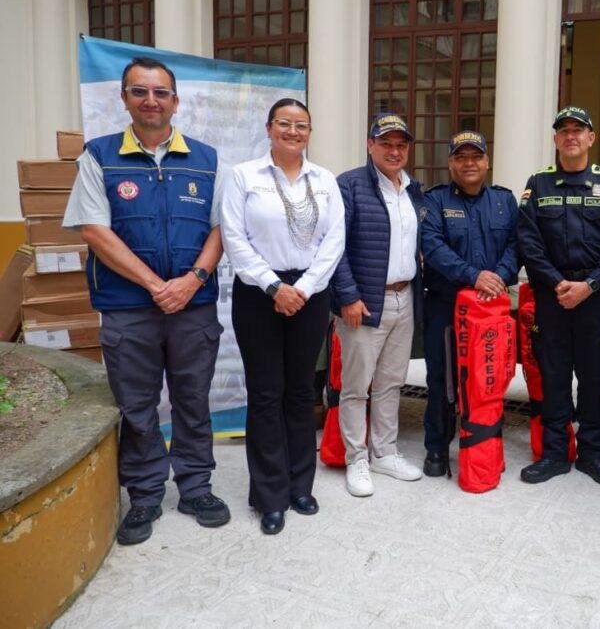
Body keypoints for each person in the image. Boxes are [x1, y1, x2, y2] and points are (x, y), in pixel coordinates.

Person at [62, 56, 230, 546]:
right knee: (137, 407)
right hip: (127, 309)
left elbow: (222, 229)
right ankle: (146, 494)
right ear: (124, 98)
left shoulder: (206, 157)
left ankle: (197, 488)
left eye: (160, 92)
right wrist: (158, 286)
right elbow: (95, 230)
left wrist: (192, 280)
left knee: (193, 402)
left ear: (175, 101)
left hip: (192, 307)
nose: (151, 100)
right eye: (140, 91)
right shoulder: (98, 156)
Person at [220, 99, 345, 534]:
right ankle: (269, 494)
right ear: (269, 127)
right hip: (259, 294)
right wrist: (274, 286)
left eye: (302, 125)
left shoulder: (325, 180)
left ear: (310, 132)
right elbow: (234, 238)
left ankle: (299, 485)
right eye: (285, 124)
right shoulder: (244, 176)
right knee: (266, 393)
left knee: (300, 392)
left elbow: (334, 241)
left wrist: (304, 289)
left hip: (310, 294)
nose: (293, 132)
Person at [517, 106, 600, 486]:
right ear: (555, 140)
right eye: (563, 131)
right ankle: (554, 454)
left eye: (578, 130)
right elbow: (528, 242)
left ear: (590, 138)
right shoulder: (538, 184)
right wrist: (556, 284)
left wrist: (591, 284)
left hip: (596, 297)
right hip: (552, 297)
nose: (571, 136)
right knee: (553, 375)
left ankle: (591, 454)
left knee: (593, 376)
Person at [330, 113, 424, 496]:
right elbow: (333, 248)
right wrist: (348, 296)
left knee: (390, 382)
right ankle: (357, 459)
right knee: (356, 386)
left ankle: (384, 452)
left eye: (401, 144)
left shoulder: (413, 189)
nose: (394, 150)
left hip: (405, 297)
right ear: (370, 146)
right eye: (386, 143)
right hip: (365, 303)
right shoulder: (349, 185)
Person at [419, 131, 519, 477]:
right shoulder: (434, 201)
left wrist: (497, 278)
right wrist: (473, 276)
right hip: (446, 307)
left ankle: (483, 443)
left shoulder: (505, 201)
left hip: (491, 308)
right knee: (442, 379)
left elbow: (516, 246)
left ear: (487, 161)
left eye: (475, 156)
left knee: (488, 377)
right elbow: (432, 247)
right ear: (450, 163)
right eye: (461, 157)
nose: (469, 163)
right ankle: (437, 447)